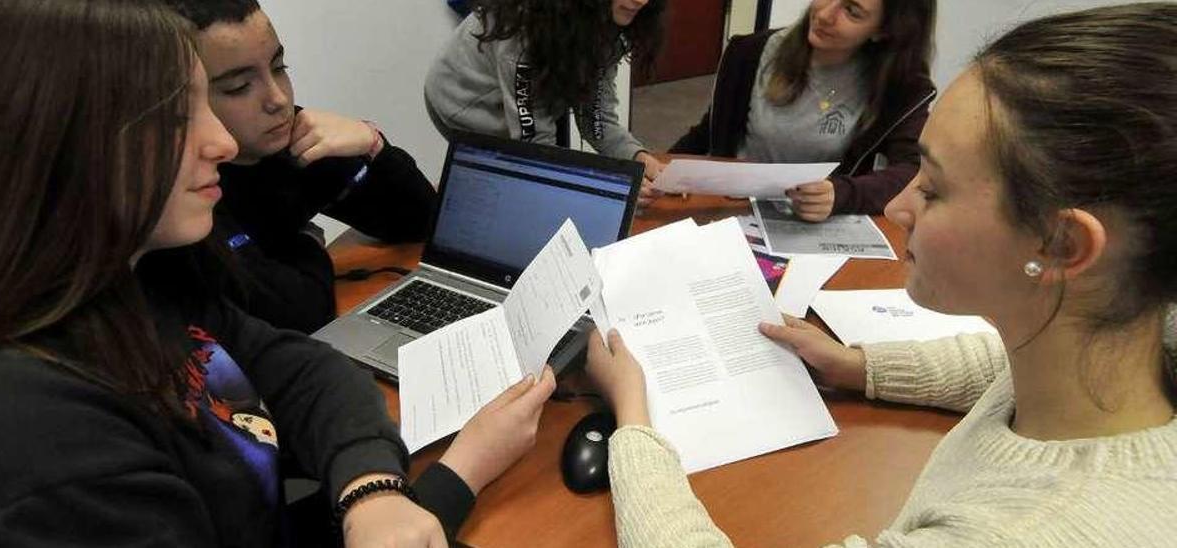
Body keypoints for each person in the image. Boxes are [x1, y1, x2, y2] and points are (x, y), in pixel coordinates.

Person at [0, 0, 554, 546]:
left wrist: (371, 489)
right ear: (44, 147)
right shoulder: (32, 447)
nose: (219, 142)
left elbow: (297, 366)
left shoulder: (128, 279)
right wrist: (457, 476)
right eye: (178, 117)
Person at [588, 3, 1177, 545]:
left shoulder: (1024, 531)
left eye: (935, 187)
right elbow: (999, 368)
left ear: (1061, 244)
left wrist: (635, 421)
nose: (899, 208)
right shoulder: (1134, 347)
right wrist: (858, 365)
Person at [163, 0, 438, 334]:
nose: (278, 99)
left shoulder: (292, 137)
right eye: (239, 87)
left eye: (279, 67)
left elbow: (418, 223)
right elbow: (298, 314)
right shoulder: (183, 191)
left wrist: (374, 145)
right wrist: (307, 240)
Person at [671, 0, 936, 221]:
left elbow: (915, 170)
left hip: (816, 224)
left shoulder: (902, 87)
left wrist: (842, 194)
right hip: (733, 209)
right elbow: (713, 129)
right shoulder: (750, 53)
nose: (824, 14)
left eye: (851, 11)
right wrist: (667, 171)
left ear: (883, 31)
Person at [424, 0, 669, 196]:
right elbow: (535, 145)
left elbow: (596, 119)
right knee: (518, 187)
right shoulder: (524, 29)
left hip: (531, 93)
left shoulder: (611, 20)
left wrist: (637, 158)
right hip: (464, 103)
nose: (641, 1)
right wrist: (613, 190)